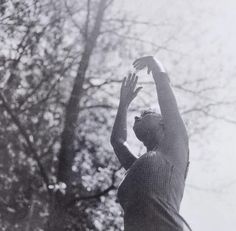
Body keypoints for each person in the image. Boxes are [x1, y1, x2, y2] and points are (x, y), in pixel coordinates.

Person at [110, 56, 191, 231]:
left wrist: (155, 64)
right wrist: (123, 104)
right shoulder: (137, 166)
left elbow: (166, 98)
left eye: (145, 114)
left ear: (164, 123)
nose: (137, 116)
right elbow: (118, 142)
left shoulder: (174, 148)